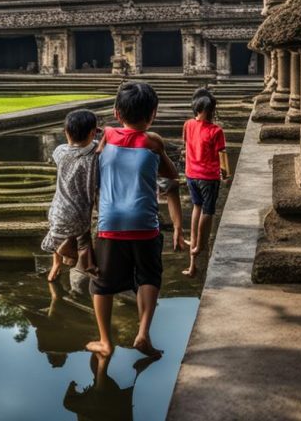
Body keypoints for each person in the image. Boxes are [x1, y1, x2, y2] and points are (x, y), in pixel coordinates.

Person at [87, 82, 179, 358]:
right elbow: (171, 174)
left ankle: (105, 341)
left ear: (117, 112)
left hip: (110, 223)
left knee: (101, 283)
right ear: (152, 114)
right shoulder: (153, 142)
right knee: (149, 276)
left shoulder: (108, 136)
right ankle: (143, 333)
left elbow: (97, 159)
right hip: (145, 223)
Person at [41, 109, 100, 282]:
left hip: (57, 209)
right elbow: (101, 144)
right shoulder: (94, 155)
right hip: (80, 213)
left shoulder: (59, 152)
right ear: (93, 132)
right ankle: (85, 263)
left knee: (55, 237)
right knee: (84, 238)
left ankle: (56, 265)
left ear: (66, 132)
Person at [181, 89, 229, 277]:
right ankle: (199, 244)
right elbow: (222, 156)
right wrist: (225, 174)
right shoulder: (216, 131)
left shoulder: (188, 125)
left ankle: (192, 262)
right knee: (208, 211)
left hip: (191, 174)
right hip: (208, 177)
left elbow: (186, 147)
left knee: (197, 207)